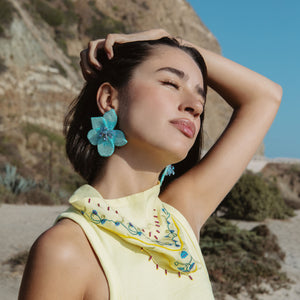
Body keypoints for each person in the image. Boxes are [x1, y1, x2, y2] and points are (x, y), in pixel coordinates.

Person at [18, 29, 282, 299]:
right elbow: (264, 98)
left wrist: (173, 40)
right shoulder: (67, 249)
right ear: (110, 99)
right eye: (170, 83)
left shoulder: (179, 219)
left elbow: (265, 97)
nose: (195, 106)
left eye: (200, 98)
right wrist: (166, 46)